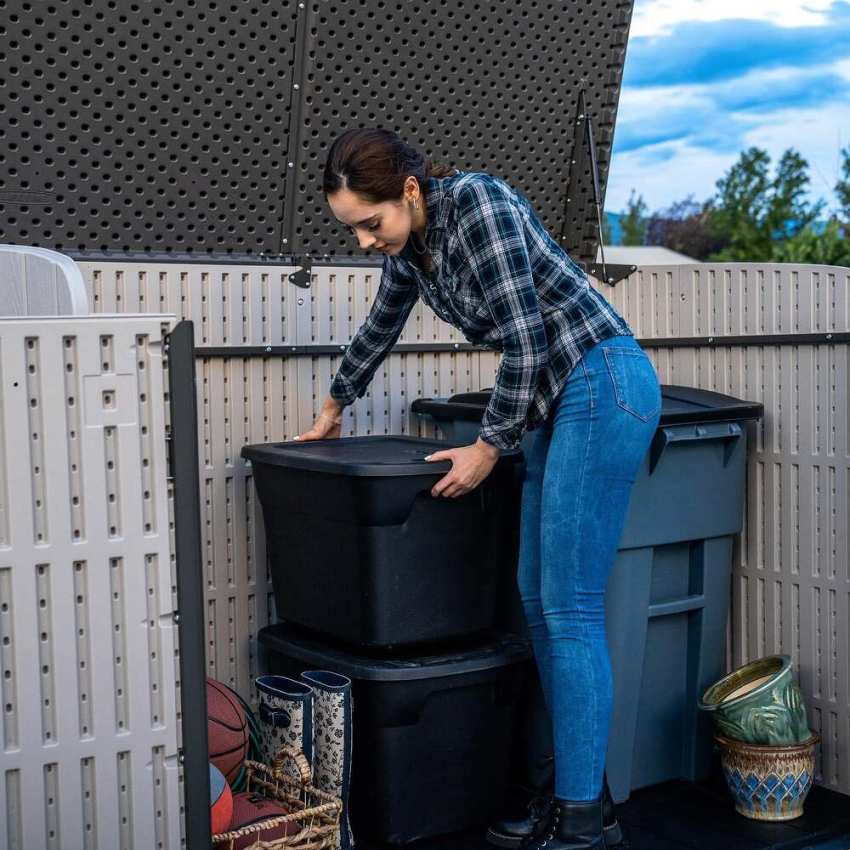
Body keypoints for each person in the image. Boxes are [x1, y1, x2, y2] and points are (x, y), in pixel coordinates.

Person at [296, 127, 660, 850]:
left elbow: (526, 338)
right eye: (353, 231)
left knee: (571, 608)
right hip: (558, 402)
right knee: (539, 601)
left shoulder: (477, 205)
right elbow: (380, 327)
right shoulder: (415, 249)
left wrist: (490, 447)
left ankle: (585, 823)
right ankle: (579, 796)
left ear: (408, 190)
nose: (367, 242)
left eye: (370, 224)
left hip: (602, 381)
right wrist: (333, 407)